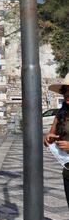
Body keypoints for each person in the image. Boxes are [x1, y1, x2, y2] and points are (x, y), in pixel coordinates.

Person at [44, 73, 69, 208]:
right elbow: (50, 136)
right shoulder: (61, 114)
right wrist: (48, 139)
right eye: (65, 93)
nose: (67, 97)